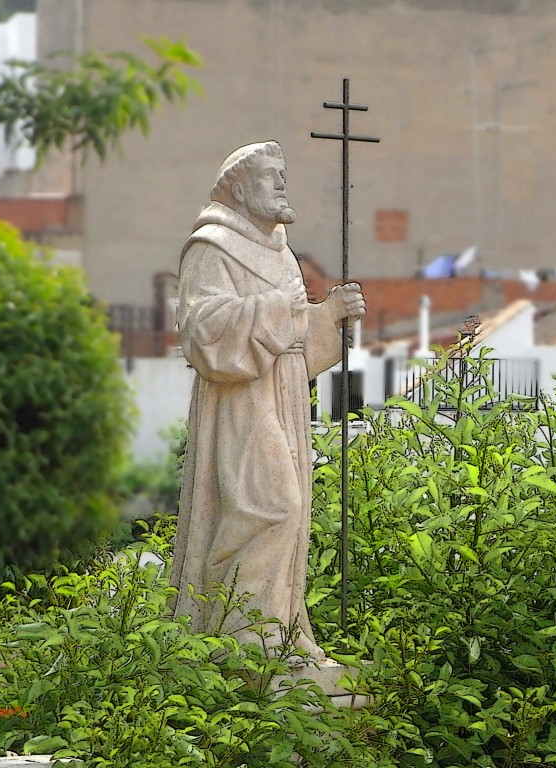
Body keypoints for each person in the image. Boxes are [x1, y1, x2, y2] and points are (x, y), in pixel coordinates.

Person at [169, 140, 365, 660]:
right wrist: (284, 308)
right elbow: (203, 333)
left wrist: (331, 316)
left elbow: (295, 336)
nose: (281, 184)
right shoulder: (211, 247)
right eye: (269, 176)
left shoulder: (279, 250)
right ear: (238, 189)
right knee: (269, 506)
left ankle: (276, 635)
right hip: (241, 402)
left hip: (282, 396)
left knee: (289, 515)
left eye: (284, 174)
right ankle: (241, 643)